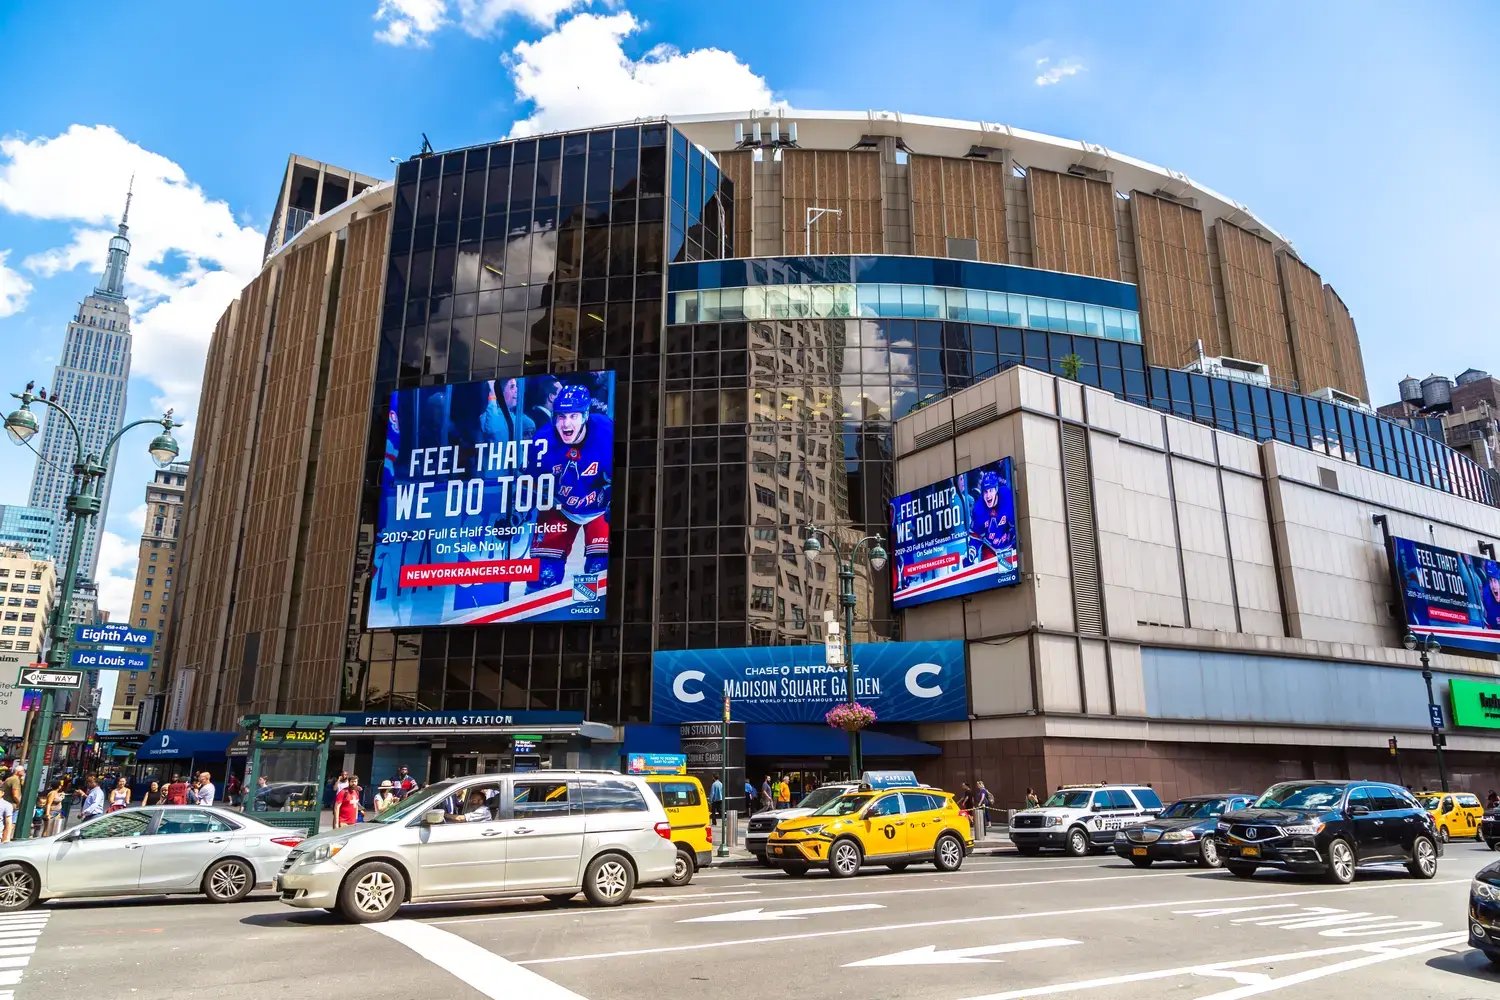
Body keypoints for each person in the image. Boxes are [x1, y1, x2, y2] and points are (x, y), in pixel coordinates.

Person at [525, 383, 613, 596]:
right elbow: (531, 483)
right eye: (561, 416)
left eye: (573, 416)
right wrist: (522, 509)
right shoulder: (543, 441)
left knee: (599, 571)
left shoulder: (606, 431)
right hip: (560, 506)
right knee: (542, 577)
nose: (566, 423)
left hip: (599, 507)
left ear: (585, 416)